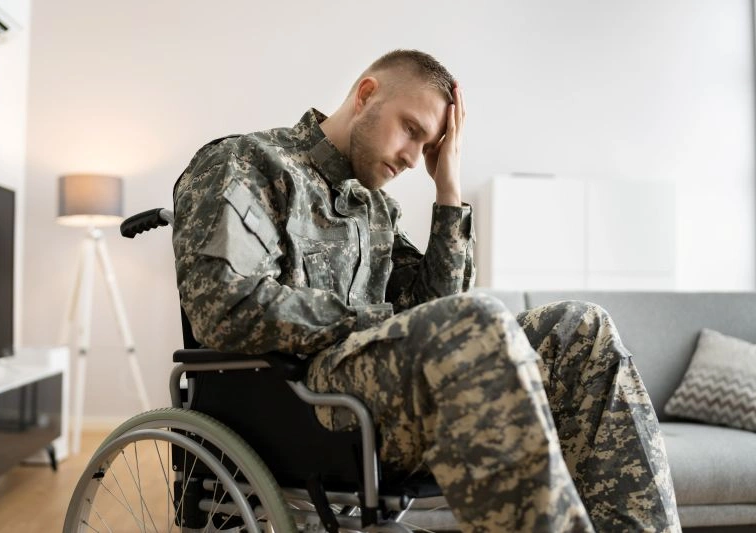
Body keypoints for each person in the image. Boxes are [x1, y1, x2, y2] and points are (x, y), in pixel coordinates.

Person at [172, 49, 680, 532]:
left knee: (580, 328)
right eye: (411, 130)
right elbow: (225, 306)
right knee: (475, 322)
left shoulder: (376, 210)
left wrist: (448, 189)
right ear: (366, 94)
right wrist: (371, 321)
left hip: (383, 389)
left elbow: (441, 311)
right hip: (300, 398)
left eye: (429, 144)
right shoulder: (248, 162)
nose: (415, 157)